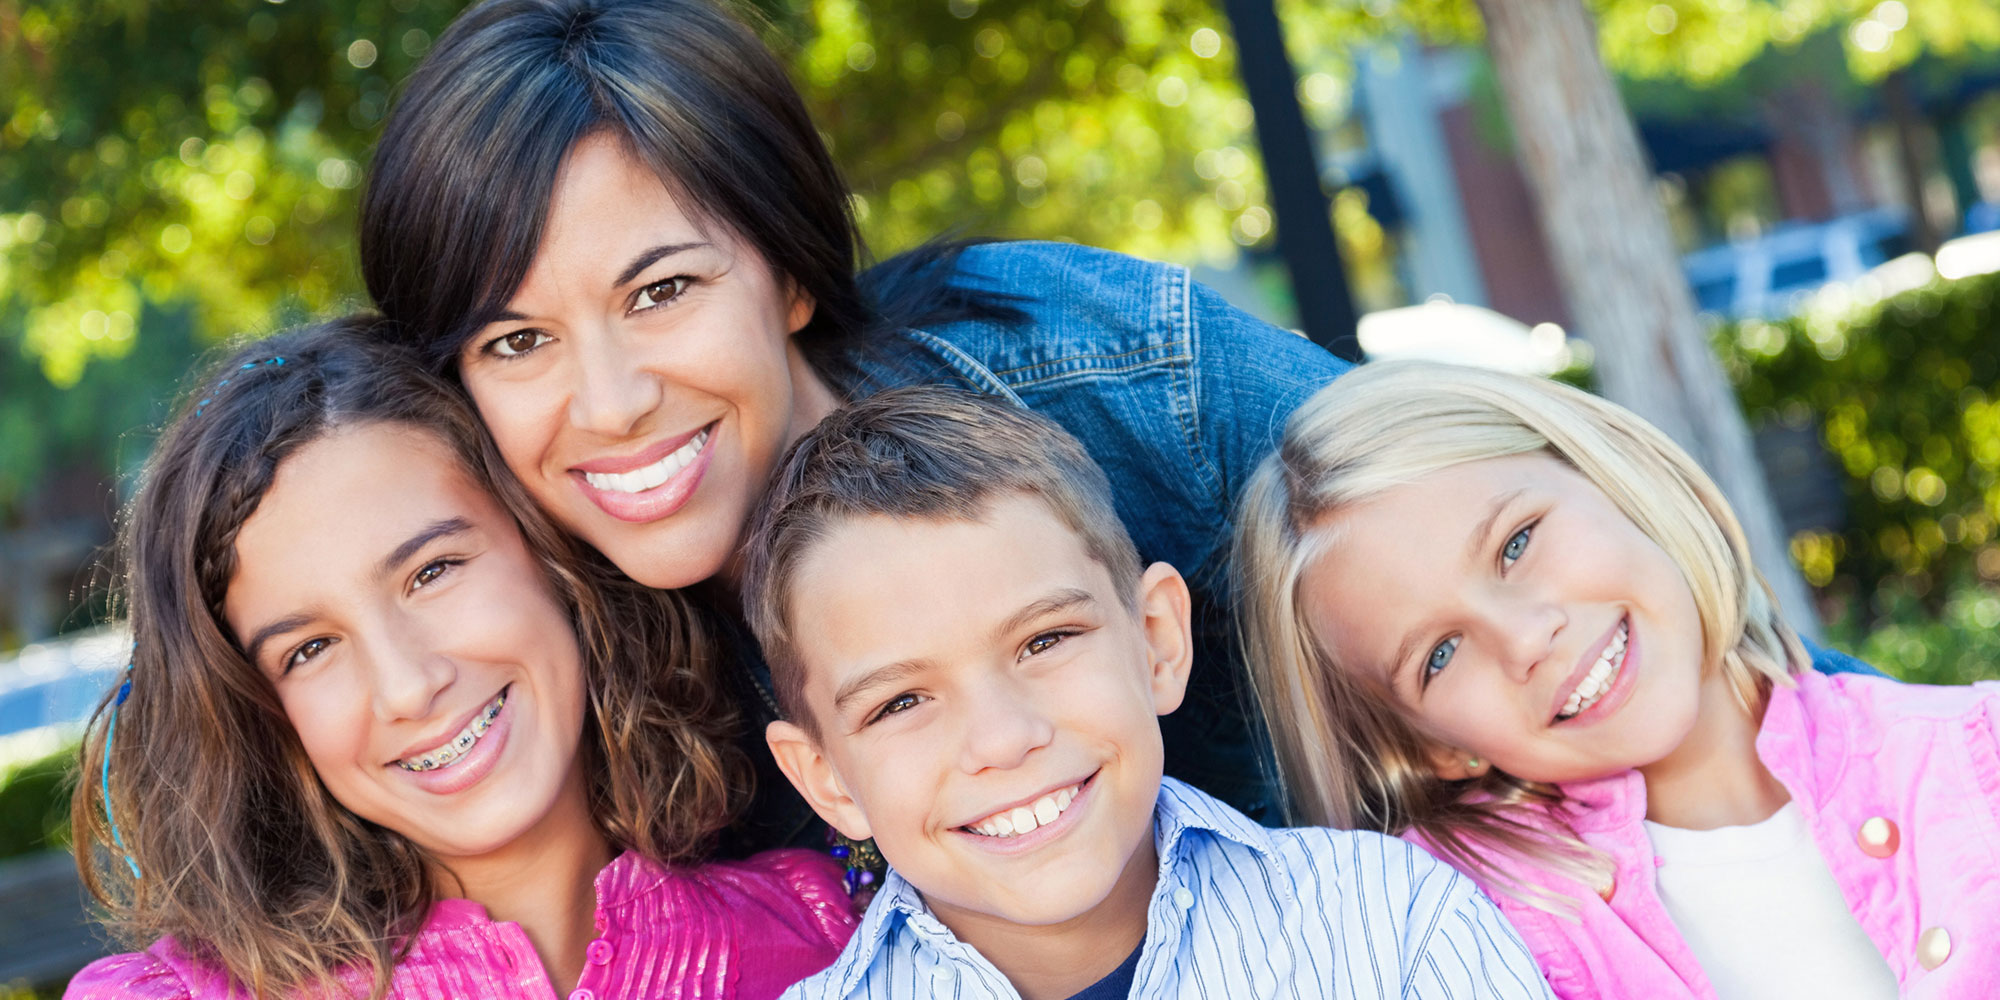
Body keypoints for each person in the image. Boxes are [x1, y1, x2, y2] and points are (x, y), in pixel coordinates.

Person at [355, 0, 1350, 835]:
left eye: (660, 292)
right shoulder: (528, 680)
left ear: (787, 271)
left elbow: (1463, 531)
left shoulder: (1094, 366)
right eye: (516, 342)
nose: (612, 403)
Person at [65, 319, 853, 1000]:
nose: (408, 685)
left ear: (552, 556)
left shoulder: (826, 935)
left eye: (432, 572)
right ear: (259, 712)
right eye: (310, 649)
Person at [738, 386, 1553, 1000]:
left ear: (1158, 640)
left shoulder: (1384, 919)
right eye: (901, 703)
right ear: (827, 780)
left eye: (1044, 642)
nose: (1001, 739)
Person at [1233, 361, 2000, 1000]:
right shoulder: (1445, 925)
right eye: (1439, 654)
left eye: (1516, 543)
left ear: (1618, 477)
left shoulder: (1979, 762)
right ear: (1431, 746)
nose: (1526, 638)